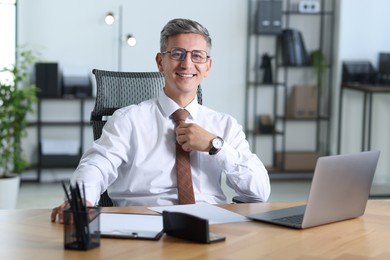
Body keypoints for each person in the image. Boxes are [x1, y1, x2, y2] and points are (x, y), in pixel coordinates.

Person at [51, 18, 270, 223]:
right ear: (160, 62)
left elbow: (259, 192)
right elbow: (97, 165)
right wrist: (81, 199)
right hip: (145, 223)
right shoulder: (128, 120)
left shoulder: (225, 125)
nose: (187, 64)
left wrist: (216, 146)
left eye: (197, 56)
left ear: (207, 66)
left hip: (210, 227)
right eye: (177, 54)